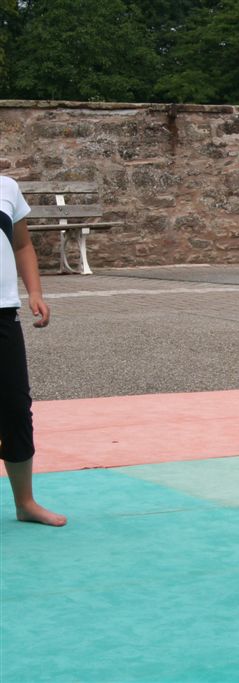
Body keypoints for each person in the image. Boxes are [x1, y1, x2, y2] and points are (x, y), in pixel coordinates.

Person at [1, 175, 65, 527]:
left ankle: (25, 503)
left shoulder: (6, 188)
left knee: (14, 409)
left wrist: (35, 292)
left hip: (3, 315)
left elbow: (22, 246)